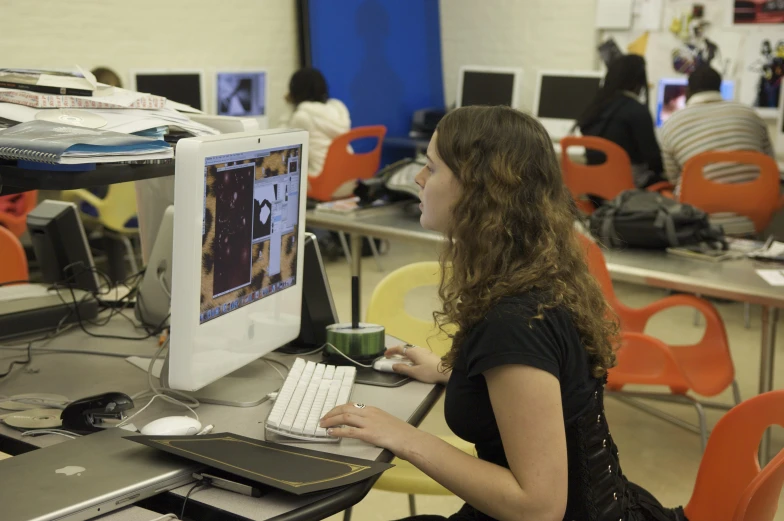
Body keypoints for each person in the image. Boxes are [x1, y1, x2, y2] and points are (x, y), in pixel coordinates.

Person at [320, 106, 684, 521]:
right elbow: (548, 387)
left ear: (480, 190)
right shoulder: (534, 275)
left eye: (431, 168)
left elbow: (538, 506)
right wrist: (459, 372)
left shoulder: (514, 322)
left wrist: (402, 436)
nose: (419, 179)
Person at [659, 65, 775, 192]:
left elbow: (673, 179)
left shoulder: (670, 124)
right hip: (757, 203)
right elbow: (770, 163)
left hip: (698, 208)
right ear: (719, 88)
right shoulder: (751, 114)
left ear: (688, 91)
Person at [576, 55, 665, 189]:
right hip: (628, 189)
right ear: (639, 80)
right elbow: (655, 161)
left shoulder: (593, 108)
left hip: (595, 189)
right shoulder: (637, 110)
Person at [282, 68, 351, 183]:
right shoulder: (337, 109)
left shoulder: (302, 117)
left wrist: (289, 107)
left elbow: (286, 151)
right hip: (349, 179)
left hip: (323, 182)